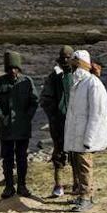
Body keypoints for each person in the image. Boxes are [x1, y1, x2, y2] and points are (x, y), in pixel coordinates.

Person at [63, 49, 107, 212]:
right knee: (78, 165)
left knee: (85, 166)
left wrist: (89, 139)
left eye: (74, 65)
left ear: (81, 66)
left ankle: (86, 198)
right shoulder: (78, 84)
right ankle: (82, 195)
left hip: (86, 135)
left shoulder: (93, 84)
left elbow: (98, 114)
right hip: (77, 133)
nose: (71, 69)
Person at [0, 51, 39, 199]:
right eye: (10, 68)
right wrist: (2, 118)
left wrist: (28, 117)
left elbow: (34, 101)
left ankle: (22, 185)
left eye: (15, 68)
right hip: (6, 128)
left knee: (22, 157)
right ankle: (9, 187)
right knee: (7, 158)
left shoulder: (27, 81)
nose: (12, 71)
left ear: (19, 68)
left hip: (23, 127)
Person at [38, 45, 75, 198]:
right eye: (63, 58)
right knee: (59, 153)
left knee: (76, 153)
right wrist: (54, 115)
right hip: (58, 122)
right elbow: (45, 99)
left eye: (68, 58)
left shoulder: (79, 74)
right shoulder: (54, 76)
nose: (65, 60)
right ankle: (58, 185)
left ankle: (77, 183)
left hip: (75, 122)